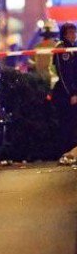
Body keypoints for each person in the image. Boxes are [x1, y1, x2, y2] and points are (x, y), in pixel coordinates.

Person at [53, 23, 77, 164]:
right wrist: (72, 93)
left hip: (74, 93)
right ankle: (65, 153)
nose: (74, 34)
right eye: (70, 32)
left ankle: (72, 153)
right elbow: (64, 74)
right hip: (65, 95)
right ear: (64, 34)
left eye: (75, 31)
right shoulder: (62, 49)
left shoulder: (74, 48)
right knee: (67, 125)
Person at [29, 20, 58, 87]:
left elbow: (30, 66)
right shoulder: (58, 46)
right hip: (55, 82)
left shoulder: (36, 47)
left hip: (40, 82)